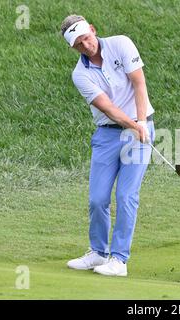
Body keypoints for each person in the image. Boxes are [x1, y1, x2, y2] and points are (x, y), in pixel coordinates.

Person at [60, 15, 155, 277]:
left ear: (93, 30)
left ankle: (119, 260)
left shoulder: (121, 44)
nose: (86, 46)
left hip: (140, 128)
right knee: (97, 198)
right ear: (73, 48)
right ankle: (98, 253)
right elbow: (109, 109)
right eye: (78, 44)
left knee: (126, 196)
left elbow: (139, 82)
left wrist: (141, 122)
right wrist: (132, 125)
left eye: (86, 38)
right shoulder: (80, 75)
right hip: (107, 135)